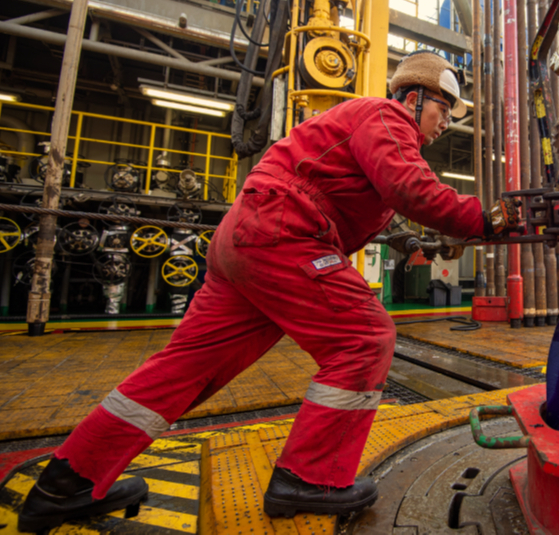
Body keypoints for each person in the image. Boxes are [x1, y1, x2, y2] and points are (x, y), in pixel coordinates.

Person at [17, 50, 521, 531]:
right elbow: (411, 188)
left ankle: (67, 482)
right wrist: (486, 218)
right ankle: (309, 479)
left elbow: (367, 198)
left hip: (248, 238)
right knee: (364, 338)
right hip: (284, 232)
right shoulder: (386, 117)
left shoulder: (365, 128)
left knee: (185, 369)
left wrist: (405, 234)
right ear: (414, 95)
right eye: (442, 108)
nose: (445, 122)